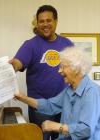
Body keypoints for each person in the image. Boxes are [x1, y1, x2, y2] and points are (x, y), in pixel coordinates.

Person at [9, 5, 73, 140]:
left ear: (56, 21)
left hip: (64, 105)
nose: (45, 24)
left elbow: (75, 72)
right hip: (39, 107)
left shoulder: (67, 44)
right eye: (41, 21)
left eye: (48, 20)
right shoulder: (31, 44)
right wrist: (11, 66)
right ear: (37, 23)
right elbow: (18, 62)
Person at [14, 46, 100, 140]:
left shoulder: (93, 92)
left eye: (63, 67)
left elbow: (86, 130)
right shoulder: (69, 90)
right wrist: (22, 98)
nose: (59, 71)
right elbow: (49, 105)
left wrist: (56, 127)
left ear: (76, 69)